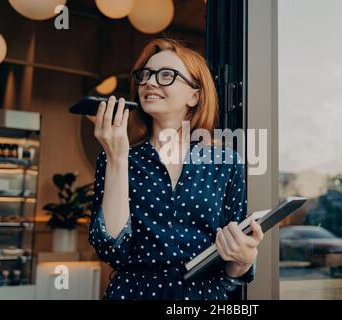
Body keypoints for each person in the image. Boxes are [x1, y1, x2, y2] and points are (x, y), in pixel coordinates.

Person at [86, 38, 263, 300]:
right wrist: (118, 157)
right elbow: (113, 249)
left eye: (166, 75)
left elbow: (230, 272)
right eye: (145, 75)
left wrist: (245, 259)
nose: (150, 82)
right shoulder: (116, 158)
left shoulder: (226, 162)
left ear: (195, 95)